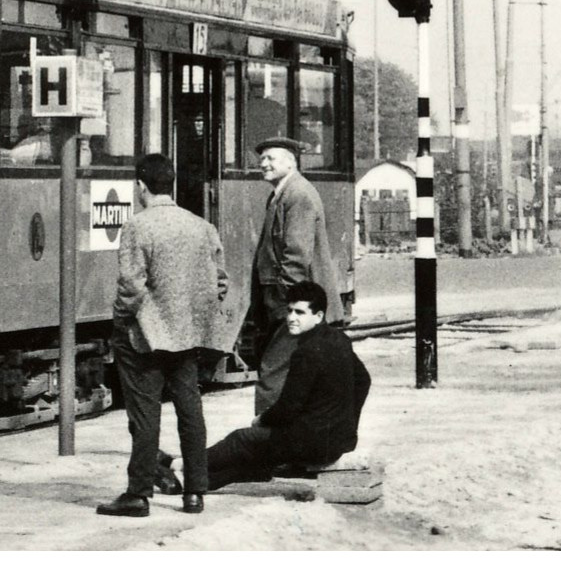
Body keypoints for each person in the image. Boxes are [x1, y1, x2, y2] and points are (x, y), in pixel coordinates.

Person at [96, 153, 229, 518]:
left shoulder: (139, 227)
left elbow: (131, 286)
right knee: (190, 410)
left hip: (145, 336)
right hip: (186, 336)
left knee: (145, 414)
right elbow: (220, 281)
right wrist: (190, 314)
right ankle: (195, 493)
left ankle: (138, 494)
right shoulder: (201, 226)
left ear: (141, 186)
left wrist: (122, 320)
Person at [201, 282, 370, 491]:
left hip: (312, 444)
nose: (291, 318)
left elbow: (288, 408)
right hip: (340, 440)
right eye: (289, 310)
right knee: (259, 453)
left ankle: (187, 465)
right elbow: (364, 380)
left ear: (318, 316)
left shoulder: (305, 352)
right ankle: (207, 480)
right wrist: (346, 423)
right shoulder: (340, 339)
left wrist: (261, 419)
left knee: (242, 439)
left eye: (300, 312)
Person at [251, 136, 345, 415]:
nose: (264, 164)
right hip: (287, 300)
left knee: (273, 372)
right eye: (262, 159)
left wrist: (288, 305)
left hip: (290, 301)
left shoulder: (298, 194)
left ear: (290, 162)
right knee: (291, 372)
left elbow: (296, 255)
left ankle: (267, 441)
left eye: (271, 158)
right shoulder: (284, 193)